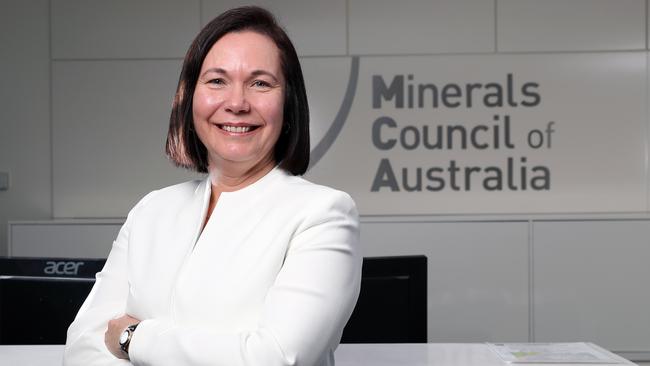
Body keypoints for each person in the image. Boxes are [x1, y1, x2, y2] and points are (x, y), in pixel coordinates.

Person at [63, 6, 361, 366]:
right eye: (217, 81)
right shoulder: (152, 210)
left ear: (289, 103)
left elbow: (275, 358)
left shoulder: (322, 214)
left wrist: (133, 338)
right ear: (189, 98)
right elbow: (83, 345)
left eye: (260, 83)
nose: (236, 103)